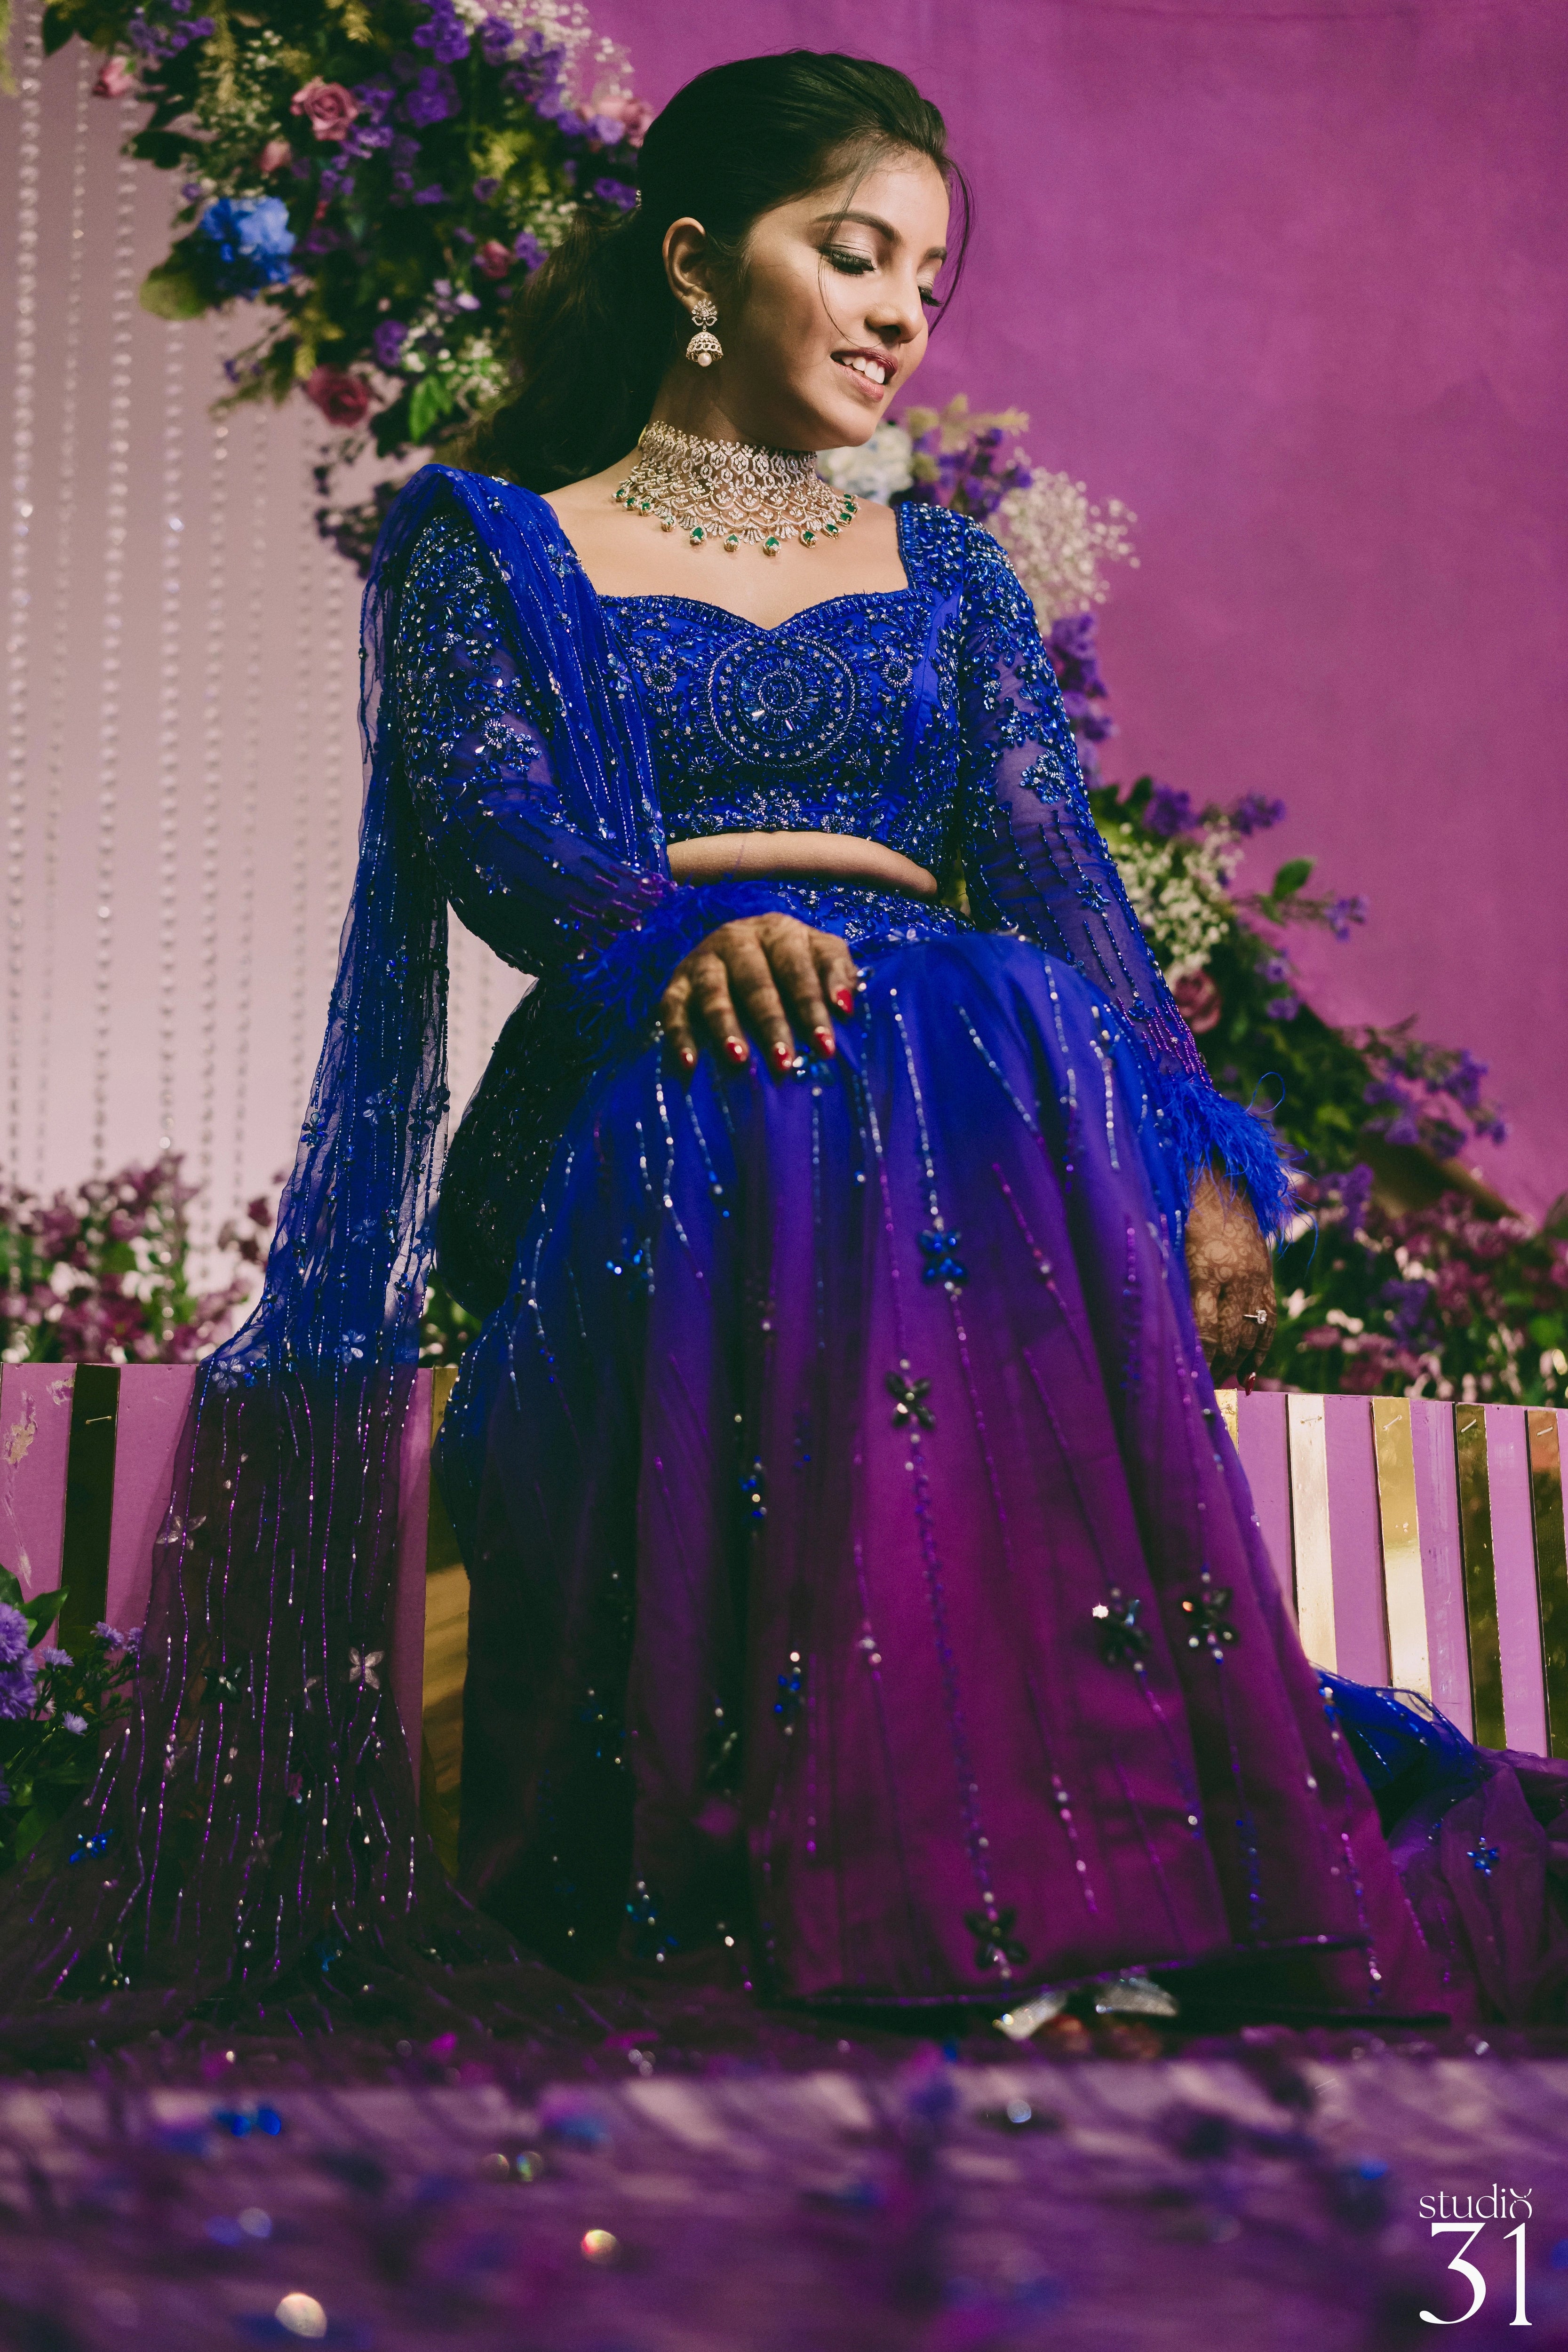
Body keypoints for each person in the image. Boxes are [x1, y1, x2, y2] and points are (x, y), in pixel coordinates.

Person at [0, 51, 1555, 2050]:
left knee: (975, 1000)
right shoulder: (496, 542)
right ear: (695, 263)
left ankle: (1047, 1881)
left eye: (930, 276)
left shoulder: (954, 578)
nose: (907, 309)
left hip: (964, 1123)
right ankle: (910, 1888)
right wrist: (677, 932)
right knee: (898, 1024)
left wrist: (1193, 1147)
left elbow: (1056, 870)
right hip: (650, 1095)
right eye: (856, 252)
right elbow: (490, 823)